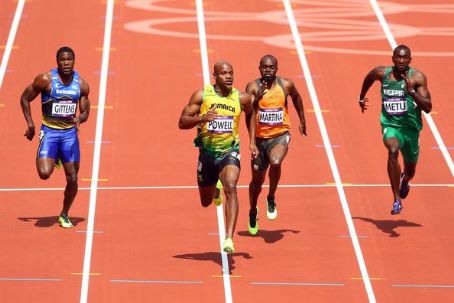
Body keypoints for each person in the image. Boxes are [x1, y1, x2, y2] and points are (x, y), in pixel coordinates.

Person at [178, 60, 257, 253]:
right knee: (206, 202)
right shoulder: (202, 95)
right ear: (215, 76)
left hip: (229, 151)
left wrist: (252, 141)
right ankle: (214, 189)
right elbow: (182, 122)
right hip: (207, 154)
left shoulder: (242, 98)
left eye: (231, 72)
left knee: (231, 185)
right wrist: (201, 118)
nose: (229, 76)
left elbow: (251, 113)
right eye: (224, 73)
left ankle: (229, 238)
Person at [20, 46, 90, 228]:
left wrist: (80, 118)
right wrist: (30, 124)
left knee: (73, 178)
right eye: (62, 59)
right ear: (57, 61)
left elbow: (86, 111)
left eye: (69, 59)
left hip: (69, 135)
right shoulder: (45, 80)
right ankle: (55, 156)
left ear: (74, 61)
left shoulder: (81, 84)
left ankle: (64, 213)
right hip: (50, 132)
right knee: (44, 174)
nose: (66, 63)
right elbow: (24, 98)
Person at [358, 44, 432, 215]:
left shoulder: (418, 78)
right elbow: (369, 77)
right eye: (398, 57)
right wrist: (361, 97)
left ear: (409, 60)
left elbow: (428, 107)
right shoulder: (382, 73)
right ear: (393, 59)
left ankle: (405, 180)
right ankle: (396, 199)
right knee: (392, 150)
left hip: (411, 130)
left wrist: (411, 92)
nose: (401, 60)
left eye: (404, 57)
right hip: (390, 125)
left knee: (411, 170)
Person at [245, 55, 307, 235]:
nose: (268, 70)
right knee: (256, 182)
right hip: (259, 140)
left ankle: (271, 197)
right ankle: (253, 210)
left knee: (276, 161)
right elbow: (248, 114)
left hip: (280, 135)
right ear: (259, 68)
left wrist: (302, 120)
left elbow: (297, 98)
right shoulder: (253, 87)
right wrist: (251, 143)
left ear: (277, 68)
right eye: (264, 67)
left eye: (271, 67)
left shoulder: (285, 84)